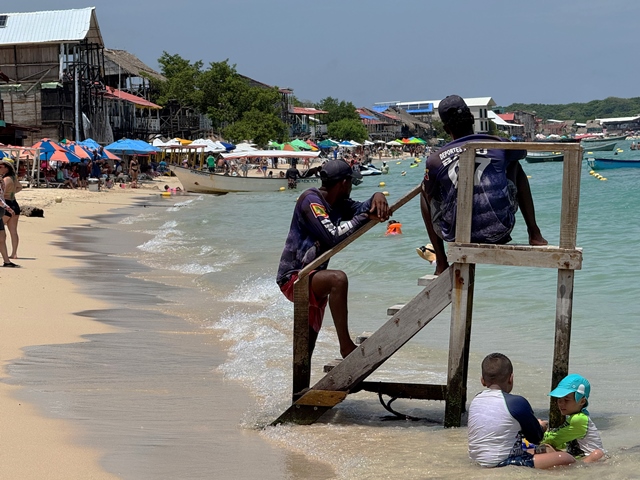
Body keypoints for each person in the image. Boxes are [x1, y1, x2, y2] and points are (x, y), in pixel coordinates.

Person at [421, 95, 547, 275]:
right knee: (514, 165)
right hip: (499, 230)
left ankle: (441, 262)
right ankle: (534, 233)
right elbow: (522, 153)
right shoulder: (498, 144)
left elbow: (431, 193)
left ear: (446, 129)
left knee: (424, 190)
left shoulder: (435, 160)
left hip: (457, 235)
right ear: (472, 119)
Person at [276, 159, 389, 359]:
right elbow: (333, 236)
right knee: (338, 280)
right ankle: (345, 345)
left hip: (313, 277)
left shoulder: (338, 204)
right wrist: (364, 218)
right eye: (351, 182)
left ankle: (301, 381)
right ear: (344, 183)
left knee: (305, 351)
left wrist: (377, 196)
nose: (352, 187)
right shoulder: (310, 200)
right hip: (295, 278)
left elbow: (361, 208)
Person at [468, 353, 575, 469]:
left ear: (482, 381)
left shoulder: (476, 400)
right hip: (502, 461)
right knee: (564, 457)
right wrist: (541, 426)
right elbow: (536, 438)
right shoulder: (516, 403)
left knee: (538, 450)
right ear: (511, 378)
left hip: (477, 460)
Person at [541, 374, 605, 462]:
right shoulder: (574, 417)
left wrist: (539, 429)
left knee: (597, 454)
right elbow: (563, 443)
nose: (561, 404)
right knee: (548, 448)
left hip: (589, 460)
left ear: (582, 401)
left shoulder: (579, 419)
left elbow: (553, 439)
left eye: (566, 400)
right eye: (559, 399)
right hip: (579, 458)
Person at [1, 159, 22, 260]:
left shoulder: (5, 179)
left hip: (7, 205)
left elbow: (1, 192)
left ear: (6, 168)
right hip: (14, 204)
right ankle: (14, 253)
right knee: (13, 231)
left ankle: (4, 251)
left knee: (1, 229)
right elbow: (20, 187)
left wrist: (5, 195)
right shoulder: (13, 178)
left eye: (1, 167)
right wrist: (12, 193)